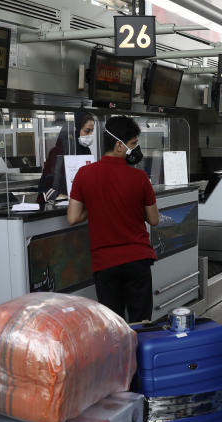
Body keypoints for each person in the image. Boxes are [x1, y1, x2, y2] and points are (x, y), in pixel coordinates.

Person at [67, 116, 159, 322]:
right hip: (137, 260)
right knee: (141, 323)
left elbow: (73, 217)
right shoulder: (140, 178)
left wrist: (97, 203)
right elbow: (154, 219)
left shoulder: (84, 174)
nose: (136, 150)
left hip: (105, 265)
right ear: (119, 145)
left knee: (113, 327)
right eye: (133, 144)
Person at [39, 111, 95, 198]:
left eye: (92, 131)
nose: (90, 135)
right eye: (87, 131)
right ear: (75, 131)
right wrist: (61, 196)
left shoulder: (86, 151)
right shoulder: (57, 152)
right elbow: (46, 184)